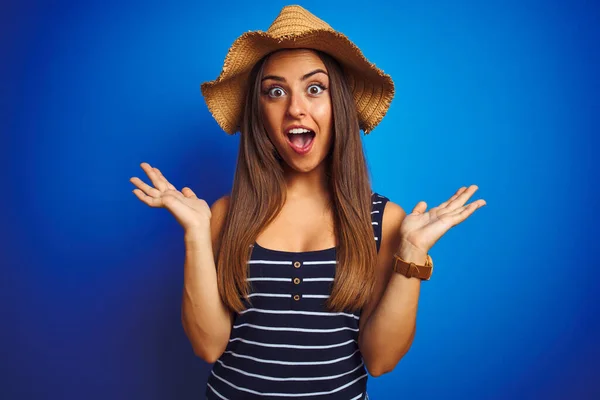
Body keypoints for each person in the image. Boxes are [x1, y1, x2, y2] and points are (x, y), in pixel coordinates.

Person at [129, 5, 486, 399]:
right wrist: (196, 234)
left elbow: (381, 360)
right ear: (259, 112)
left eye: (315, 88)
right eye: (275, 91)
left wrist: (413, 251)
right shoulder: (224, 215)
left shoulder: (384, 221)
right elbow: (208, 346)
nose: (295, 107)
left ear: (340, 107)